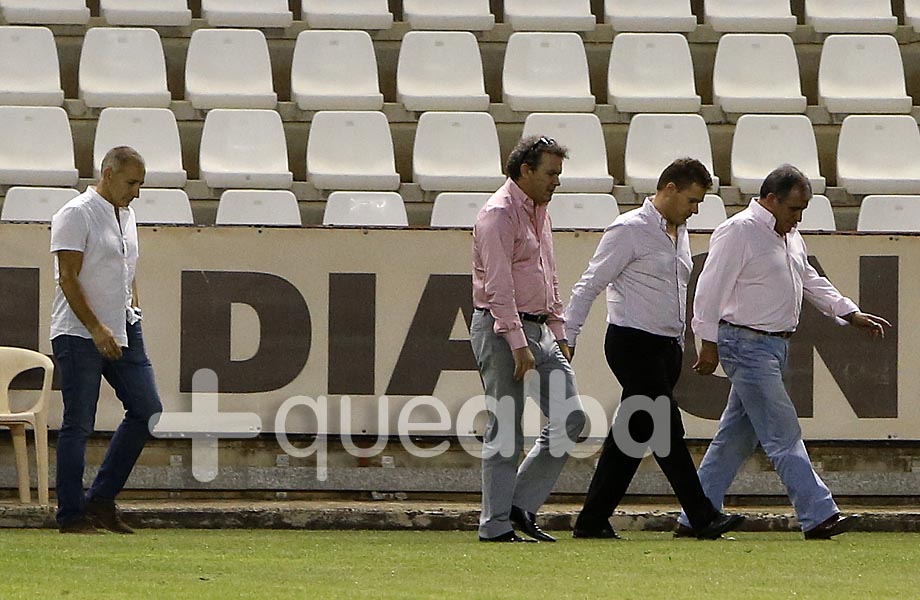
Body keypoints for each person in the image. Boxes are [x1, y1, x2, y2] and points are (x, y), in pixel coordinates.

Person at [677, 164, 890, 540]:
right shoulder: (738, 231)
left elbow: (809, 279)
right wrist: (706, 342)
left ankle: (696, 514)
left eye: (802, 209)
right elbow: (709, 290)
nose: (799, 216)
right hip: (745, 343)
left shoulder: (789, 235)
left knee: (736, 437)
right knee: (783, 431)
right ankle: (818, 513)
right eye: (794, 208)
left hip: (773, 345)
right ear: (771, 199)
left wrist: (848, 311)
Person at [564, 158, 744, 540]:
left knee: (630, 435)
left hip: (665, 348)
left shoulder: (679, 233)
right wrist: (570, 333)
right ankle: (701, 514)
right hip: (632, 342)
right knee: (666, 427)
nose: (695, 210)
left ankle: (592, 519)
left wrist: (682, 342)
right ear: (670, 189)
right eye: (692, 200)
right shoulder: (628, 230)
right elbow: (589, 284)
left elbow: (677, 295)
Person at [470, 135, 586, 543]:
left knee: (571, 417)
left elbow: (548, 275)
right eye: (551, 173)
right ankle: (496, 525)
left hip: (538, 328)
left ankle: (515, 506)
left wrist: (557, 330)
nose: (557, 182)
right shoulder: (498, 215)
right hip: (503, 329)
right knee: (506, 429)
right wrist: (519, 344)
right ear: (526, 170)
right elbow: (499, 287)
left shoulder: (539, 212)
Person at [51, 146, 162, 534]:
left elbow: (126, 267)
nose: (137, 192)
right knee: (78, 423)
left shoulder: (127, 215)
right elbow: (67, 277)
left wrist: (133, 305)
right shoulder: (75, 213)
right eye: (132, 183)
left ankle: (99, 500)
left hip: (124, 325)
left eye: (140, 184)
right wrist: (97, 328)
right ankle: (70, 514)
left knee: (148, 410)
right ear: (108, 174)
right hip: (80, 331)